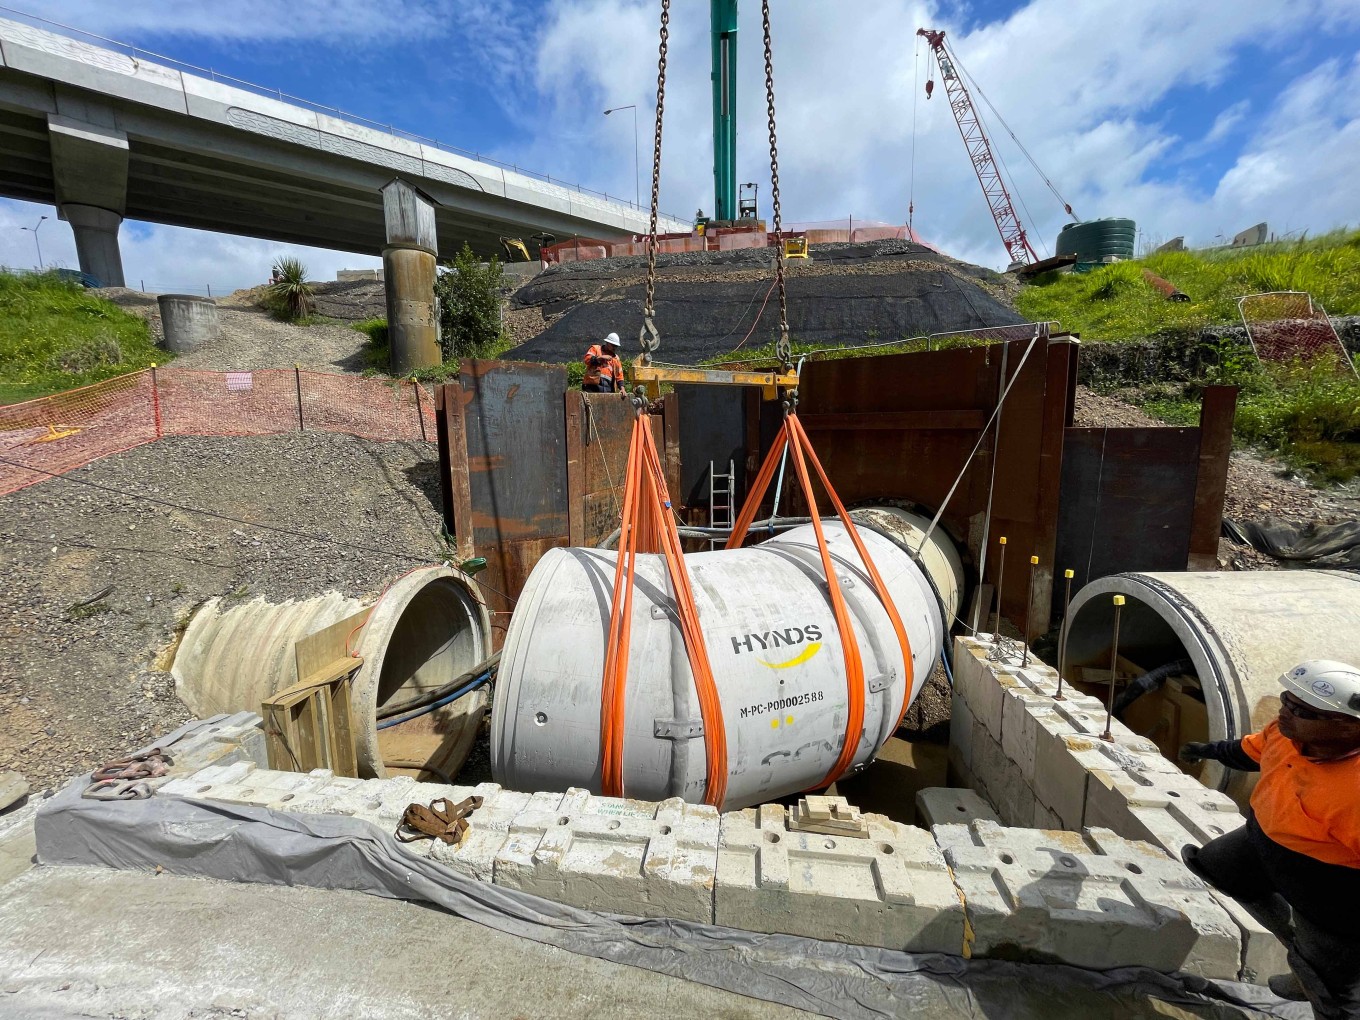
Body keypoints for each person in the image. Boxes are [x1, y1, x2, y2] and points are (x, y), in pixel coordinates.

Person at [1180, 660, 1360, 1018]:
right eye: (1286, 700)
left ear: (1347, 726)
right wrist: (1209, 749)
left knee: (1336, 991)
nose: (1284, 712)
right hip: (1260, 843)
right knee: (1212, 866)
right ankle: (1301, 956)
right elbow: (1250, 751)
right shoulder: (1287, 734)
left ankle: (1315, 975)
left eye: (1301, 710)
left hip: (1327, 887)